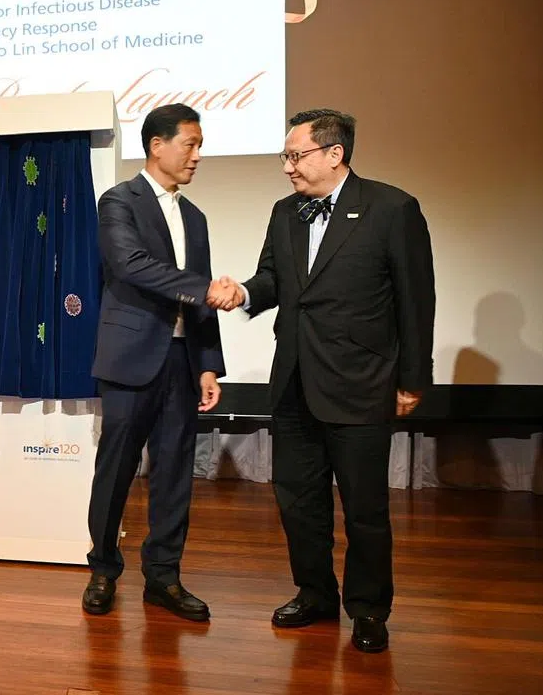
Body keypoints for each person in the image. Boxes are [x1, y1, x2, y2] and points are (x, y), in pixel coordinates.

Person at [223, 109, 435, 652]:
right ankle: (315, 593)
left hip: (361, 381)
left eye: (296, 156)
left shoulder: (392, 208)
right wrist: (245, 293)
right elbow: (273, 277)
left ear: (334, 153)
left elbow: (416, 300)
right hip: (294, 379)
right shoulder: (284, 213)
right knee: (297, 500)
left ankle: (367, 610)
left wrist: (413, 378)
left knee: (365, 508)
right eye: (286, 157)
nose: (288, 167)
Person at [81, 104, 237, 620]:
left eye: (199, 145)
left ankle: (163, 579)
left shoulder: (196, 216)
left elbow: (201, 303)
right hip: (130, 359)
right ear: (157, 145)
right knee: (116, 471)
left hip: (180, 361)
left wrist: (208, 363)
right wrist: (204, 288)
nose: (197, 155)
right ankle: (103, 569)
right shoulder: (118, 201)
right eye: (189, 143)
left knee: (175, 475)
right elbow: (130, 264)